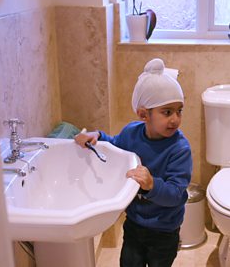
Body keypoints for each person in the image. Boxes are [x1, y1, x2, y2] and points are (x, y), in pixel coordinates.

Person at [74, 58, 192, 267]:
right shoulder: (131, 133)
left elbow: (176, 194)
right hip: (134, 224)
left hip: (165, 230)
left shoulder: (179, 149)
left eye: (179, 110)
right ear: (143, 114)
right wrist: (98, 136)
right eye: (167, 112)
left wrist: (152, 185)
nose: (175, 119)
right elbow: (116, 146)